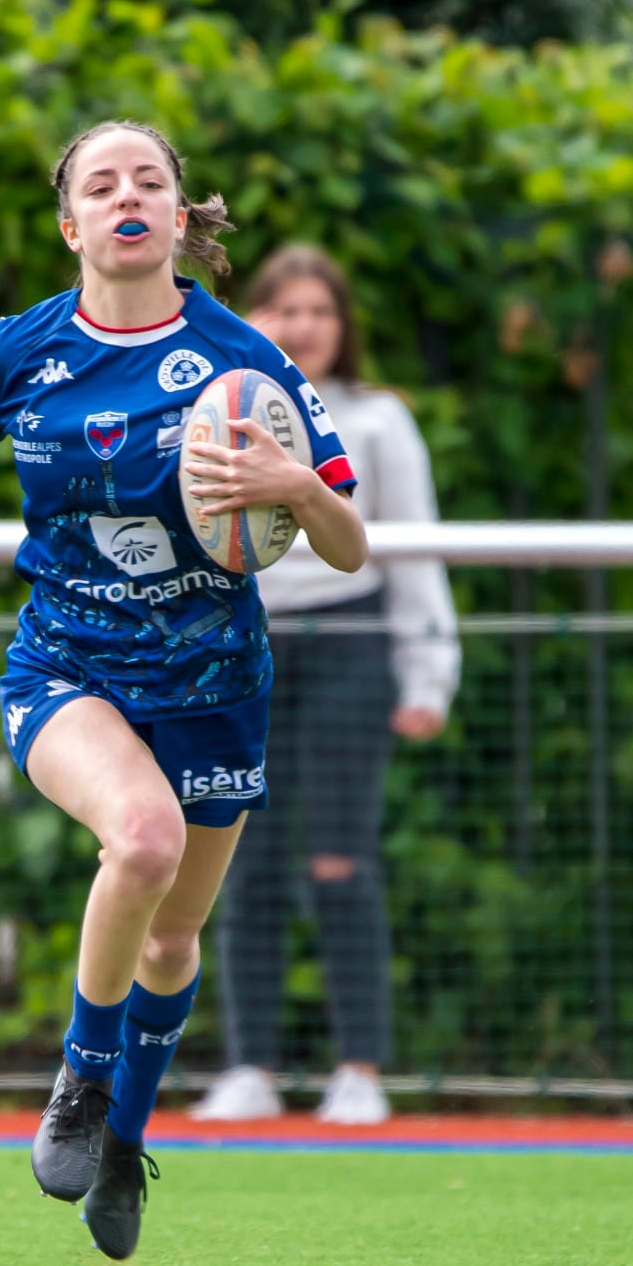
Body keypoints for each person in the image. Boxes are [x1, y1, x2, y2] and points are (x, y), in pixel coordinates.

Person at [0, 121, 365, 1259]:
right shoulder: (20, 348)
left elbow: (348, 546)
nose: (126, 197)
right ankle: (81, 1078)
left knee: (173, 938)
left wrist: (293, 483)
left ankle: (121, 1141)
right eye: (101, 185)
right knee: (142, 839)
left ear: (176, 214)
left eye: (148, 180)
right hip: (68, 664)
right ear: (71, 226)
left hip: (212, 682)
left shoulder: (244, 361)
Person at [191, 244, 460, 1126]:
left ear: (342, 326)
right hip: (245, 647)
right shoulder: (213, 414)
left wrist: (429, 674)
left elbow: (412, 548)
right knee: (244, 858)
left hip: (348, 645)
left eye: (318, 311)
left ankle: (358, 1067)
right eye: (284, 310)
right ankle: (250, 1066)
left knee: (340, 860)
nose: (302, 327)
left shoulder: (378, 420)